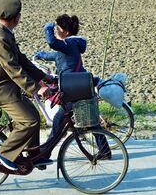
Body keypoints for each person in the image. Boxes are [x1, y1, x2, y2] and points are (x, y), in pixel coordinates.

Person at [0, 0, 53, 171]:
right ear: (16, 18)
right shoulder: (0, 39)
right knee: (29, 121)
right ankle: (4, 154)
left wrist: (43, 76)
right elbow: (13, 69)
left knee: (33, 115)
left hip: (5, 88)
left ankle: (34, 155)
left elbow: (22, 60)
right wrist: (36, 88)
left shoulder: (4, 34)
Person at [35, 14, 109, 158]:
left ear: (66, 32)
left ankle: (45, 153)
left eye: (58, 28)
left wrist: (48, 28)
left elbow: (52, 43)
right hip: (78, 86)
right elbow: (56, 55)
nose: (56, 31)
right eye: (55, 28)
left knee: (59, 120)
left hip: (72, 88)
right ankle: (105, 151)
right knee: (90, 121)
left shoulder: (69, 44)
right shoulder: (70, 45)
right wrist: (41, 55)